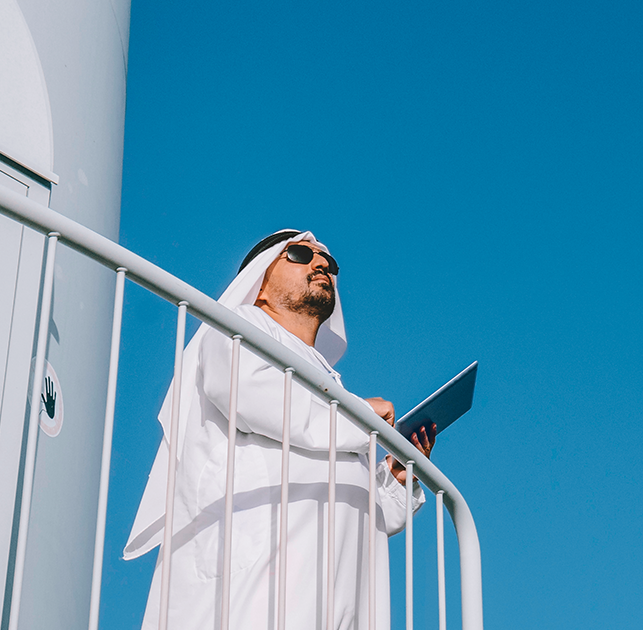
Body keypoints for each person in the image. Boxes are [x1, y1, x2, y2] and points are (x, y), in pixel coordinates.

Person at [123, 229, 435, 630]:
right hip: (250, 599)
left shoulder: (332, 386)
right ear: (260, 283)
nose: (321, 264)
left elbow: (359, 515)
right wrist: (359, 417)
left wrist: (392, 480)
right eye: (301, 254)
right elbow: (250, 394)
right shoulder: (237, 324)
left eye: (329, 262)